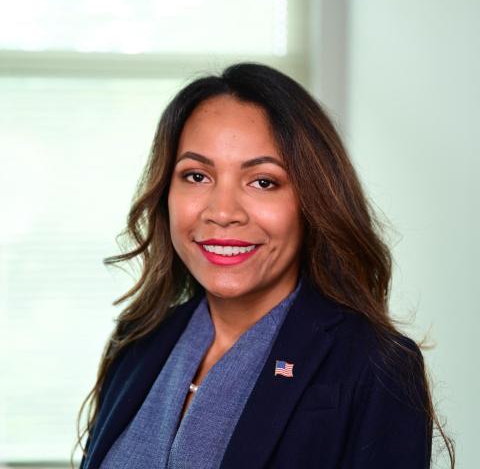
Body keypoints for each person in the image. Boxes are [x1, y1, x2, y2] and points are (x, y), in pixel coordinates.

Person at [75, 62, 454, 468]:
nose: (222, 213)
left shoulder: (374, 366)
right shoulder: (137, 341)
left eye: (263, 181)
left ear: (312, 201)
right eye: (197, 176)